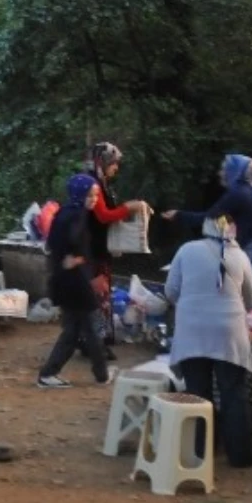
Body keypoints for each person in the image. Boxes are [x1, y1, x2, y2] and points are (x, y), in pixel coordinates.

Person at [166, 215, 252, 467]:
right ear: (233, 231)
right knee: (233, 393)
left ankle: (201, 451)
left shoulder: (186, 250)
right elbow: (251, 300)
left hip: (192, 331)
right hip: (229, 332)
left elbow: (170, 291)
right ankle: (240, 455)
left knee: (198, 393)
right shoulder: (240, 256)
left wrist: (194, 303)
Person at [164, 153, 252, 314]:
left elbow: (210, 218)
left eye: (224, 170)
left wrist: (178, 215)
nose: (221, 173)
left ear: (234, 171)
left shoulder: (237, 193)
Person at [36, 174, 118, 389]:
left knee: (75, 330)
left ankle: (52, 373)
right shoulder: (76, 215)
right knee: (88, 328)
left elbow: (53, 241)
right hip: (75, 283)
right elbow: (74, 242)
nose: (93, 199)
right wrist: (76, 257)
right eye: (90, 195)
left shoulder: (65, 212)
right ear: (79, 194)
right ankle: (100, 374)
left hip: (67, 280)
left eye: (96, 195)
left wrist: (67, 258)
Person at [83, 142, 147, 348]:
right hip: (93, 249)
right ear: (102, 161)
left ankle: (98, 339)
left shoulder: (102, 183)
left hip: (101, 246)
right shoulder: (92, 184)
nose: (116, 168)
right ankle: (95, 342)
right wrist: (128, 208)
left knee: (101, 294)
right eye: (113, 163)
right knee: (98, 294)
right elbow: (103, 216)